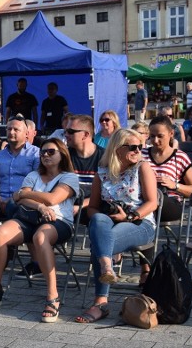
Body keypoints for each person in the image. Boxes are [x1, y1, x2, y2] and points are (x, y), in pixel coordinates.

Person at [0, 139, 79, 322]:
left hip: (59, 222)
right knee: (0, 233)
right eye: (43, 152)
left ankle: (52, 296)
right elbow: (21, 201)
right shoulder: (33, 175)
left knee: (41, 236)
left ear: (62, 154)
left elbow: (52, 199)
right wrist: (40, 206)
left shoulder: (69, 177)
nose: (45, 155)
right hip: (30, 218)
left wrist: (26, 194)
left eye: (51, 152)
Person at [75, 129, 158, 324]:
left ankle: (100, 303)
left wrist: (128, 215)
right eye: (133, 147)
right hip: (109, 223)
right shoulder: (102, 173)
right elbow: (92, 208)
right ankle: (107, 266)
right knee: (97, 221)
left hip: (140, 223)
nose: (138, 151)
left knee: (100, 243)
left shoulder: (142, 168)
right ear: (117, 149)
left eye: (140, 146)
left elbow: (152, 203)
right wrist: (104, 217)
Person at [140, 116, 192, 281]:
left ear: (171, 134)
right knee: (144, 215)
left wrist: (175, 185)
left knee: (150, 205)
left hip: (170, 203)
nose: (155, 140)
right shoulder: (142, 154)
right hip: (145, 204)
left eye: (160, 136)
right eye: (151, 136)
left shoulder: (180, 157)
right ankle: (145, 269)